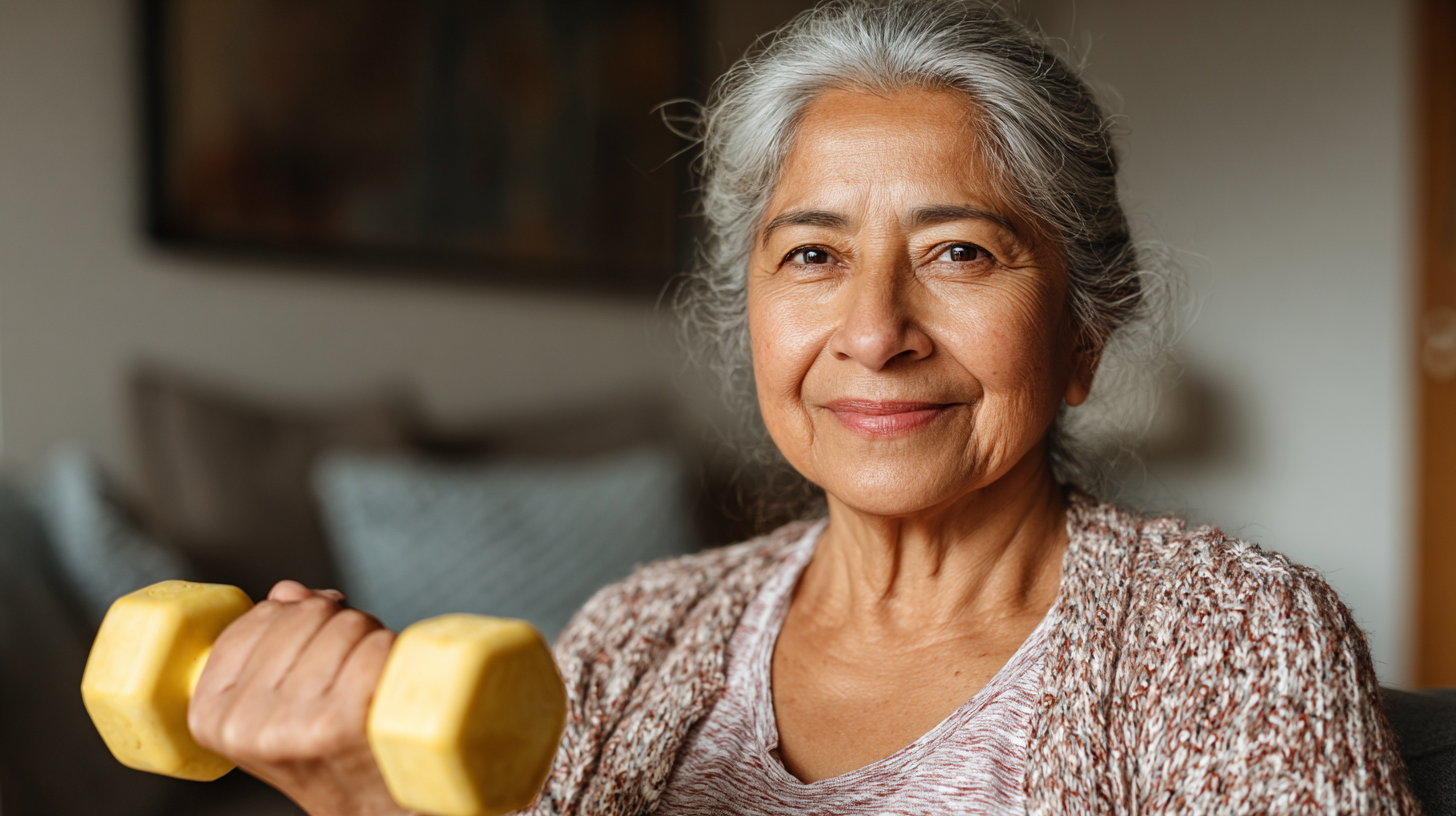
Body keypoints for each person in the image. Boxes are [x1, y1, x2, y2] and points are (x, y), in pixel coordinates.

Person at [184, 1, 1420, 814]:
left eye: (961, 253)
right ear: (753, 321)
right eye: (814, 258)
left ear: (1083, 333)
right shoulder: (630, 634)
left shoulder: (1237, 638)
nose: (874, 332)